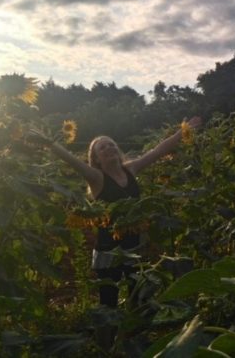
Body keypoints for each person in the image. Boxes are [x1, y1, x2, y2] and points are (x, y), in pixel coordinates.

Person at [30, 116, 201, 308]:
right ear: (96, 158)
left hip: (133, 247)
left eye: (111, 145)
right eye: (102, 148)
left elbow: (158, 151)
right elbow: (72, 162)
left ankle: (132, 334)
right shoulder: (96, 177)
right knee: (108, 302)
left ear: (118, 150)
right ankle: (107, 337)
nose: (109, 148)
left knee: (138, 297)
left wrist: (181, 132)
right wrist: (49, 143)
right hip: (108, 250)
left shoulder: (131, 169)